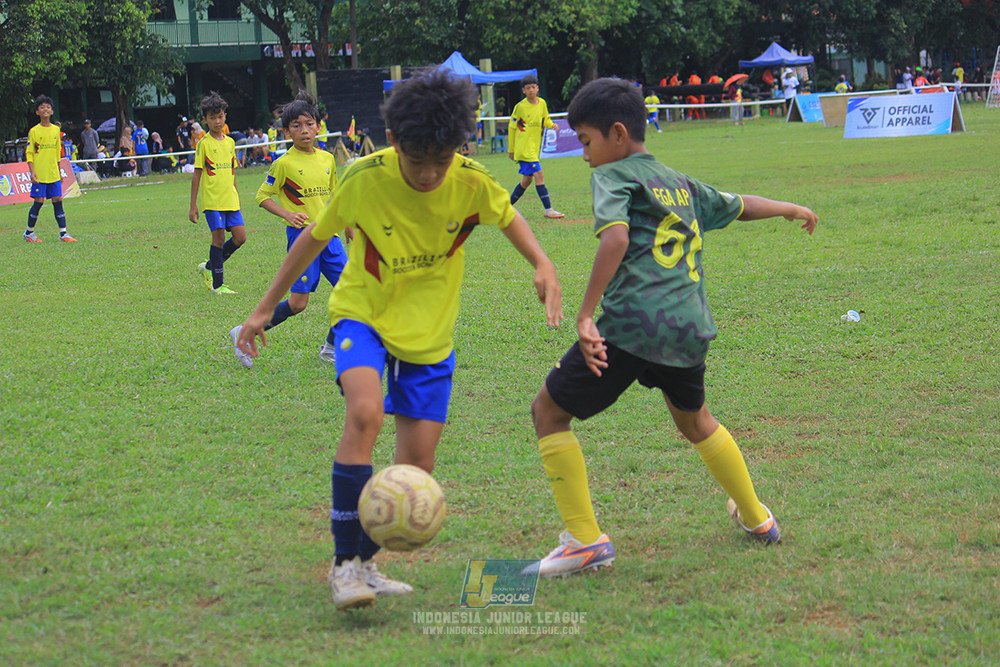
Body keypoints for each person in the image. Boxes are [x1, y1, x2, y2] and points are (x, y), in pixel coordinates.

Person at [233, 69, 563, 611]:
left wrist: (542, 261)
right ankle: (344, 567)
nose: (431, 173)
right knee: (364, 413)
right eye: (418, 160)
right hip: (362, 315)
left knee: (416, 469)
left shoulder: (471, 179)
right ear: (393, 142)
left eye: (443, 158)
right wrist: (265, 306)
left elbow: (509, 218)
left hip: (429, 336)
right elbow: (311, 241)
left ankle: (367, 562)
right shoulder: (363, 177)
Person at [527, 77, 818, 577]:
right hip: (688, 324)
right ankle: (756, 517)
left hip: (633, 325)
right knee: (695, 421)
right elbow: (739, 204)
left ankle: (584, 541)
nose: (584, 154)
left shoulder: (615, 176)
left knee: (548, 412)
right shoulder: (677, 181)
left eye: (587, 141)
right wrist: (790, 207)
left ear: (617, 135)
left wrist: (585, 313)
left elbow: (615, 239)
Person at [229, 92, 347, 370]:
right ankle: (243, 331)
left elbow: (337, 195)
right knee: (297, 304)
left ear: (319, 126)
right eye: (296, 126)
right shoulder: (284, 163)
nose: (304, 131)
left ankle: (330, 348)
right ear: (286, 131)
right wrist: (286, 213)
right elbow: (263, 196)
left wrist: (349, 227)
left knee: (353, 293)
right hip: (302, 240)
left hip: (329, 237)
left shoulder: (328, 159)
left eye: (309, 124)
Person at [188, 91, 244, 294]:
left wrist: (236, 194)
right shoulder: (203, 144)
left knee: (240, 238)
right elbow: (196, 175)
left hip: (231, 199)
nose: (217, 121)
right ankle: (218, 286)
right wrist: (193, 205)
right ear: (205, 120)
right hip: (212, 200)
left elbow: (232, 172)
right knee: (218, 239)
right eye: (212, 118)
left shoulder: (230, 143)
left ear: (225, 116)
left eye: (220, 116)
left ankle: (209, 267)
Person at [508, 74, 565, 219]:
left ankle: (505, 207)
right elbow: (512, 127)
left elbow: (545, 120)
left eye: (533, 87)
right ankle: (548, 209)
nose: (531, 90)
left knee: (527, 180)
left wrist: (552, 125)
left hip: (533, 148)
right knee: (539, 174)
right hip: (524, 149)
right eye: (528, 88)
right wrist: (511, 149)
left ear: (537, 88)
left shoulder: (542, 103)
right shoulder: (520, 107)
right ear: (524, 91)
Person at [23, 95, 77, 243]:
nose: (45, 109)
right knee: (39, 201)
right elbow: (30, 153)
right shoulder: (34, 131)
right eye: (42, 107)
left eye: (48, 107)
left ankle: (63, 234)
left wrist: (59, 171)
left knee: (58, 200)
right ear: (37, 112)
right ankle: (29, 233)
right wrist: (32, 171)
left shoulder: (55, 130)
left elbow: (57, 153)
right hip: (40, 174)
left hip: (53, 173)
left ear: (52, 111)